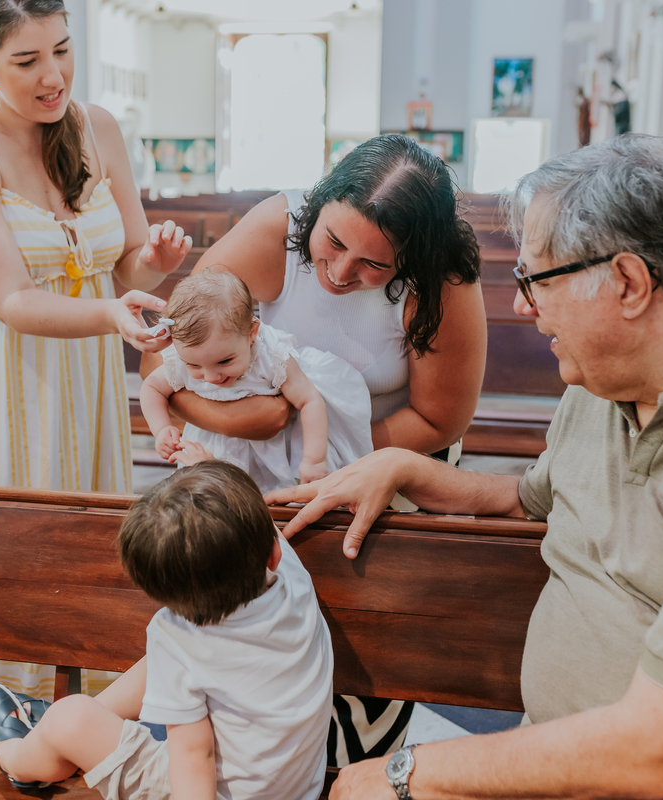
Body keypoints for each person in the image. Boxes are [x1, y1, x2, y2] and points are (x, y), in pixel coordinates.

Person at [269, 134, 663, 799]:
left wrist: (407, 773)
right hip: (565, 766)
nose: (522, 306)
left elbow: (661, 752)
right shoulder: (603, 385)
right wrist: (404, 469)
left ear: (629, 283)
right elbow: (531, 498)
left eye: (534, 278)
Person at [0, 0, 191, 724]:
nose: (53, 76)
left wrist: (159, 261)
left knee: (79, 541)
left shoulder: (99, 128)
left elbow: (125, 269)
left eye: (61, 49)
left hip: (79, 374)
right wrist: (111, 315)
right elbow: (11, 298)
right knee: (0, 544)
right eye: (27, 61)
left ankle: (73, 725)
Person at [141, 135, 488, 763]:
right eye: (333, 242)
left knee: (358, 656)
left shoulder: (443, 281)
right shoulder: (279, 228)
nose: (341, 272)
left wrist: (329, 447)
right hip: (250, 467)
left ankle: (350, 769)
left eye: (375, 265)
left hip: (383, 466)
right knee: (242, 631)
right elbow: (171, 346)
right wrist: (257, 424)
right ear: (318, 205)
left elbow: (439, 417)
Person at [0, 461, 334, 799]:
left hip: (208, 788)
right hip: (295, 789)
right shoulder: (294, 582)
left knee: (71, 717)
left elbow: (195, 757)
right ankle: (58, 733)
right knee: (169, 669)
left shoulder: (174, 636)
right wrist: (213, 475)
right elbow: (263, 531)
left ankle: (20, 760)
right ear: (273, 555)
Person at [140, 270, 373, 491]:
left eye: (225, 362)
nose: (211, 377)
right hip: (214, 444)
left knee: (277, 497)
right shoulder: (182, 359)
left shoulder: (272, 356)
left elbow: (309, 400)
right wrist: (161, 428)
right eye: (194, 366)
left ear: (252, 333)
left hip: (275, 449)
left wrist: (313, 459)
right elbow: (152, 388)